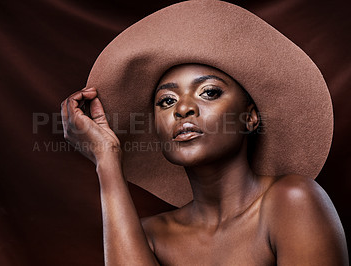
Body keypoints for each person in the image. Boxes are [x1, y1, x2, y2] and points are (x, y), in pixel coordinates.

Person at [61, 1, 348, 265]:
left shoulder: (291, 201)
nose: (183, 108)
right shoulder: (149, 237)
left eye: (208, 92)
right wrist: (107, 160)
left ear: (249, 118)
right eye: (167, 101)